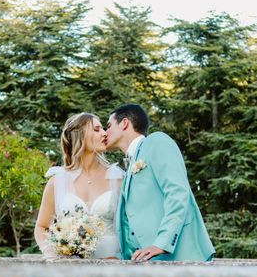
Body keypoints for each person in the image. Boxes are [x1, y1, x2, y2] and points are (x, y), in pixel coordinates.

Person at [104, 103, 215, 262]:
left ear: (125, 123)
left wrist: (162, 243)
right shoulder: (129, 166)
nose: (105, 132)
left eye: (108, 125)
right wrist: (121, 257)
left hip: (180, 256)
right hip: (149, 262)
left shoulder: (157, 142)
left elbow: (177, 193)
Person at [34, 112, 124, 259]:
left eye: (103, 128)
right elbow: (41, 227)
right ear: (79, 135)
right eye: (96, 129)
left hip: (113, 264)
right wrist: (51, 254)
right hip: (70, 268)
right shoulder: (57, 182)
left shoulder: (118, 178)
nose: (104, 133)